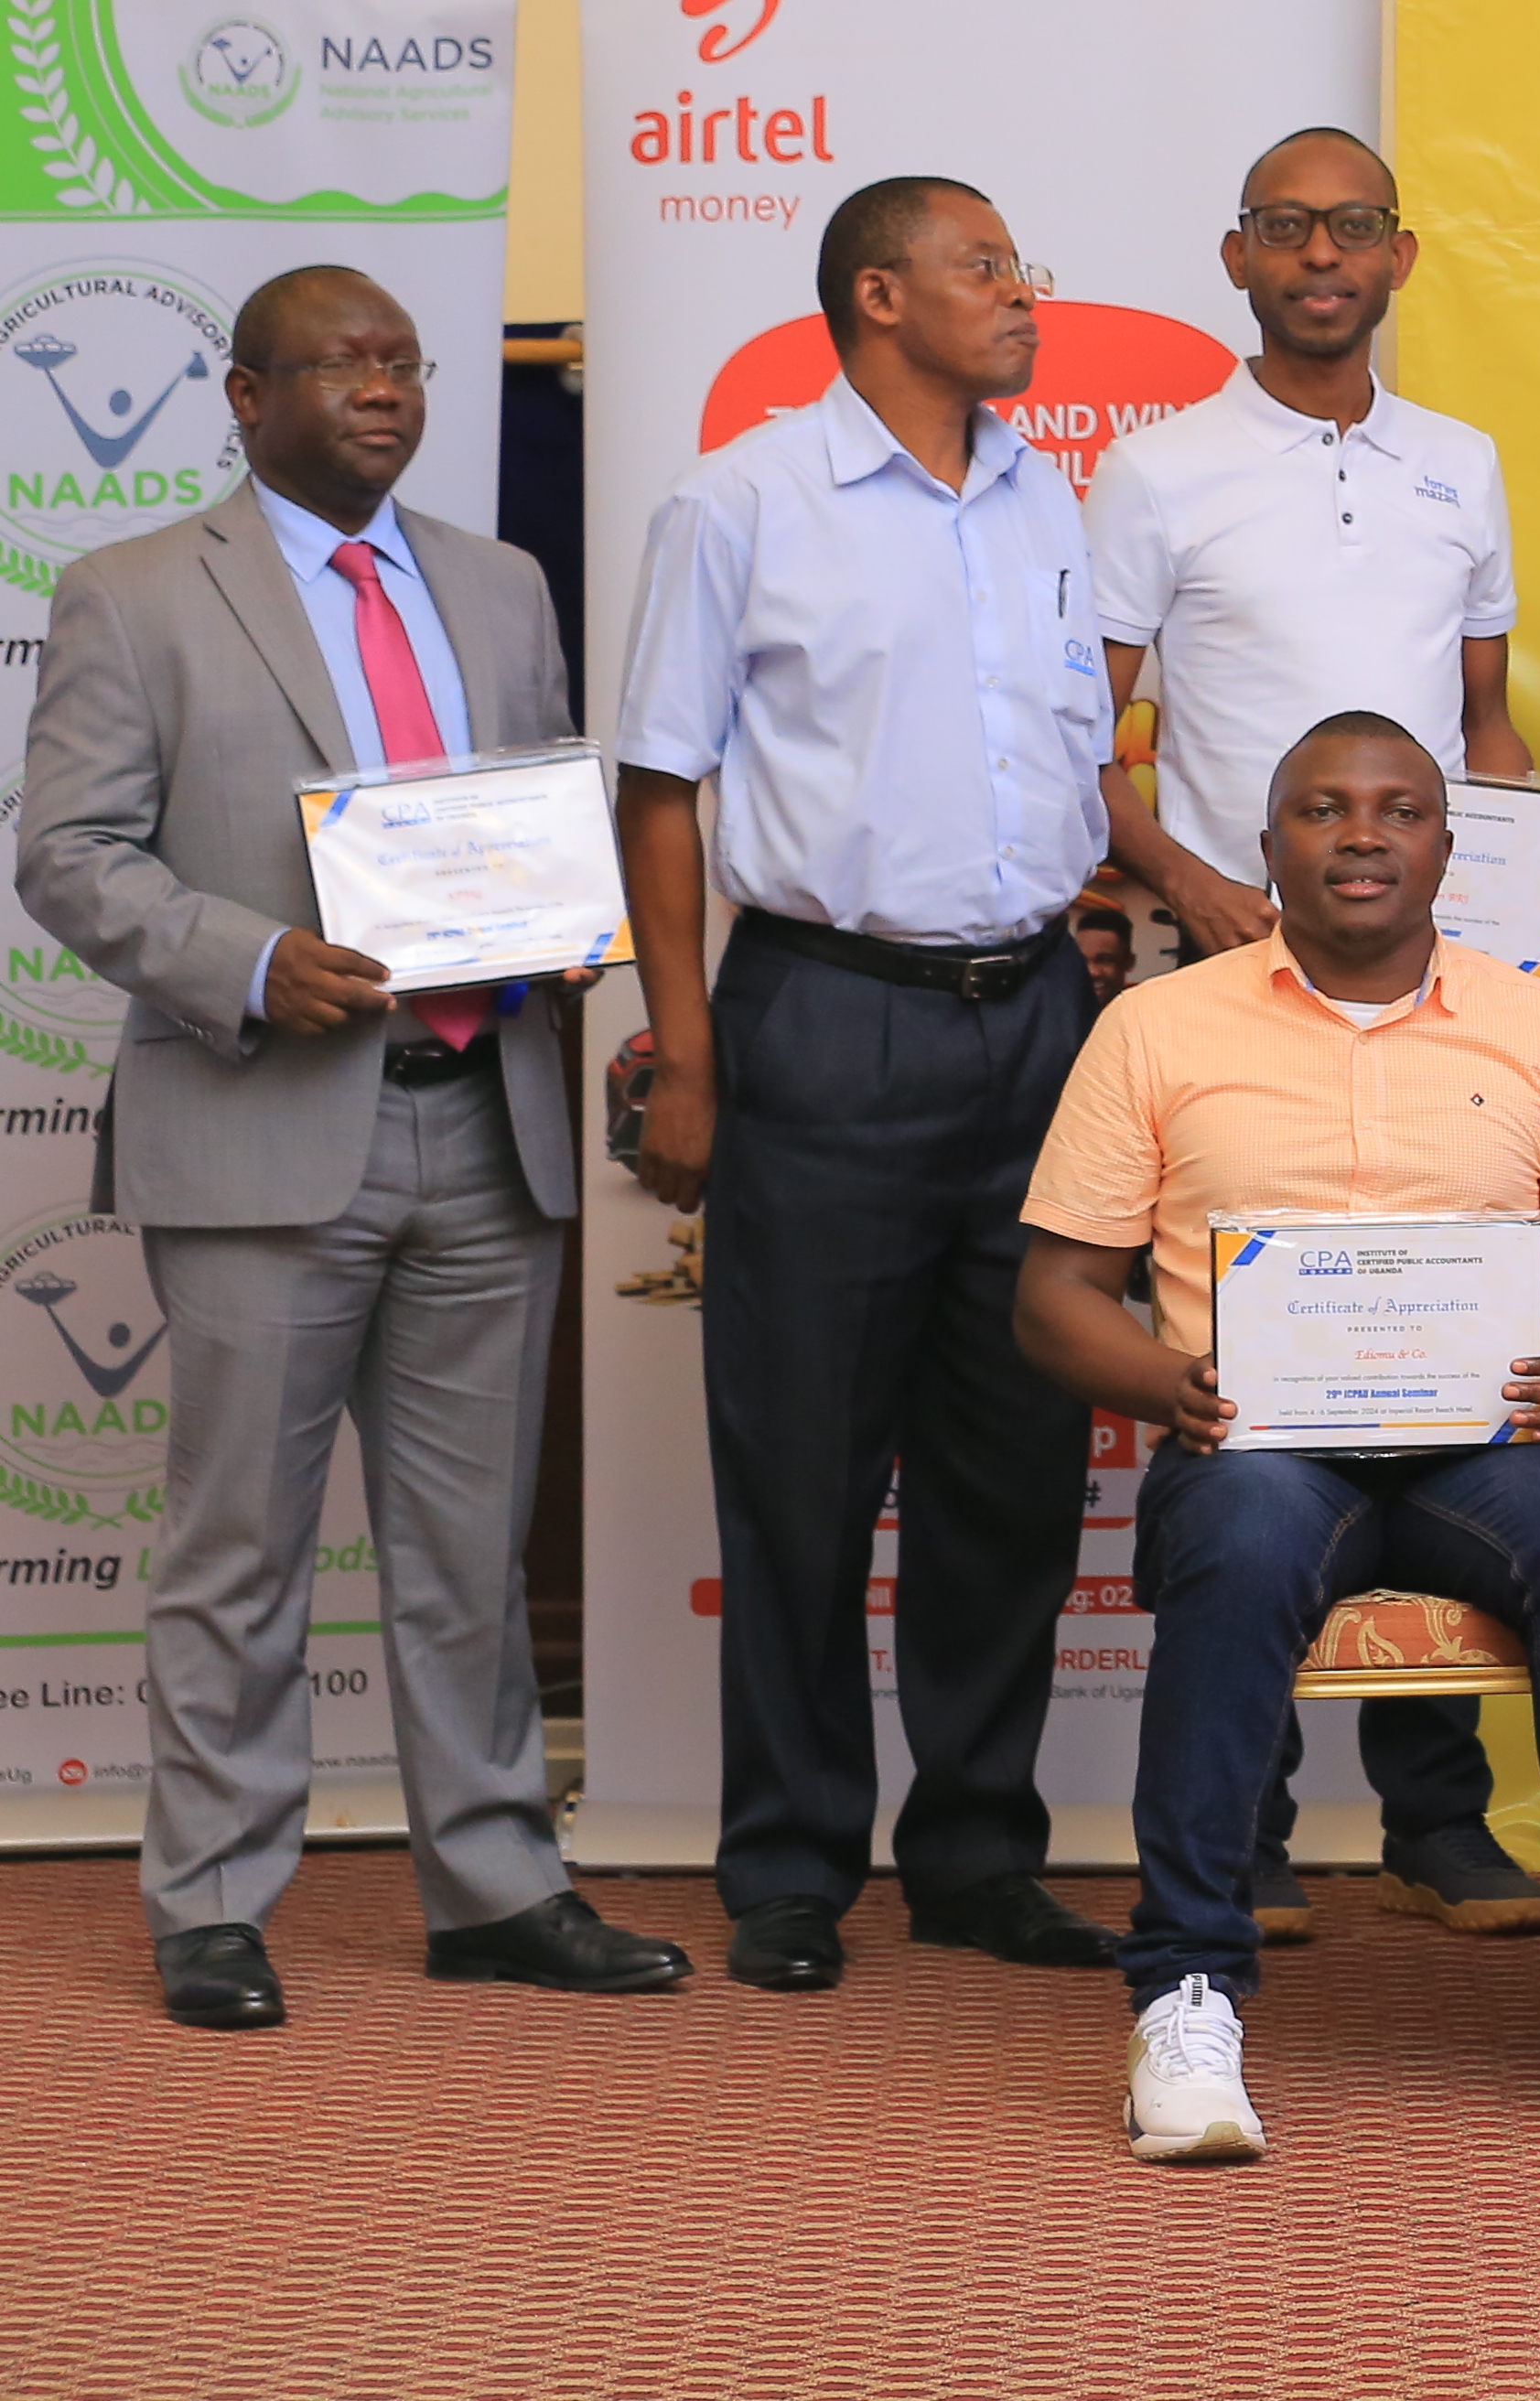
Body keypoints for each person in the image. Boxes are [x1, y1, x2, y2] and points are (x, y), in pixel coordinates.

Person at [21, 265, 687, 2030]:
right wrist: (248, 960)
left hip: (487, 1121)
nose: (382, 388)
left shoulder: (498, 581)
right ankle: (216, 1902)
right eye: (340, 364)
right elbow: (71, 855)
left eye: (403, 361)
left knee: (467, 1549)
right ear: (246, 398)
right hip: (259, 1128)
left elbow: (545, 820)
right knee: (238, 1545)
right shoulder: (136, 593)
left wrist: (565, 917)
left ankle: (492, 1882)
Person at [1008, 714, 1540, 2160]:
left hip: (1492, 1450)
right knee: (1243, 1552)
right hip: (1255, 1443)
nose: (1364, 835)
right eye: (1324, 810)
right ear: (1270, 850)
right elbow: (1055, 1298)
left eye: (1398, 810)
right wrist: (1167, 1385)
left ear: (1448, 845)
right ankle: (1187, 1992)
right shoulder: (1157, 1027)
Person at [616, 176, 1120, 1994]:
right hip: (827, 1016)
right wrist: (688, 1050)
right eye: (987, 265)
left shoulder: (1046, 491)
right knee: (804, 1472)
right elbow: (660, 787)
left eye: (1019, 261)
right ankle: (793, 1866)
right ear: (878, 295)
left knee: (1015, 1467)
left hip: (1039, 1025)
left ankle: (978, 1850)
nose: (1020, 292)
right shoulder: (743, 502)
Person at [1083, 123, 1540, 1944]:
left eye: (1354, 229)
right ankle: (1246, 1831)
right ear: (1237, 258)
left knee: (1434, 1358)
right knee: (1235, 1393)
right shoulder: (1153, 469)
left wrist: (1509, 903)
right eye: (1289, 230)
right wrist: (1198, 892)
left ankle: (1438, 1817)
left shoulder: (1463, 465)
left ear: (1401, 258)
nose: (1323, 257)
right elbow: (1082, 736)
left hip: (1436, 999)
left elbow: (1488, 725)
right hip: (1221, 992)